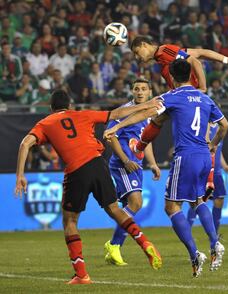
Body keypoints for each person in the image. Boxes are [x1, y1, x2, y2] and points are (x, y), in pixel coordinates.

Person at [14, 89, 162, 285]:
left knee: (70, 222)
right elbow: (117, 114)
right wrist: (145, 105)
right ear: (70, 106)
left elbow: (25, 144)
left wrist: (20, 176)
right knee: (115, 209)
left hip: (77, 170)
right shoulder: (82, 114)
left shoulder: (45, 123)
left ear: (51, 108)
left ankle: (81, 275)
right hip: (99, 164)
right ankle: (145, 243)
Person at [104, 59, 228, 277]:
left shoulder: (172, 97)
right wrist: (214, 144)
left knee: (171, 207)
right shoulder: (205, 98)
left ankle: (194, 254)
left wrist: (120, 125)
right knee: (198, 200)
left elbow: (145, 112)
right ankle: (215, 243)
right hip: (204, 156)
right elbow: (225, 125)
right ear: (191, 75)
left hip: (186, 156)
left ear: (170, 77)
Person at [104, 78, 161, 266]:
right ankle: (114, 245)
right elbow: (110, 136)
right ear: (132, 91)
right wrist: (126, 160)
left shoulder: (150, 114)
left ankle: (114, 246)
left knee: (132, 206)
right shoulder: (125, 112)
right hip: (123, 164)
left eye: (144, 89)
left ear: (149, 92)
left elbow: (147, 141)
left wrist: (152, 163)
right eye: (136, 89)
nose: (140, 92)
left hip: (136, 165)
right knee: (136, 203)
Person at [130, 35, 228, 92]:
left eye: (137, 52)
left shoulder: (165, 51)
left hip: (191, 97)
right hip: (188, 97)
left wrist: (202, 88)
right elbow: (200, 53)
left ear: (144, 45)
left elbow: (195, 62)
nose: (136, 57)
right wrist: (227, 60)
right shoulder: (163, 56)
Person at [186, 121, 228, 236]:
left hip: (216, 172)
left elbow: (218, 150)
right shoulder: (201, 127)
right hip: (204, 170)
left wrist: (225, 165)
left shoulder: (220, 128)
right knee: (198, 200)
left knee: (219, 200)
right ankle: (186, 230)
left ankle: (215, 233)